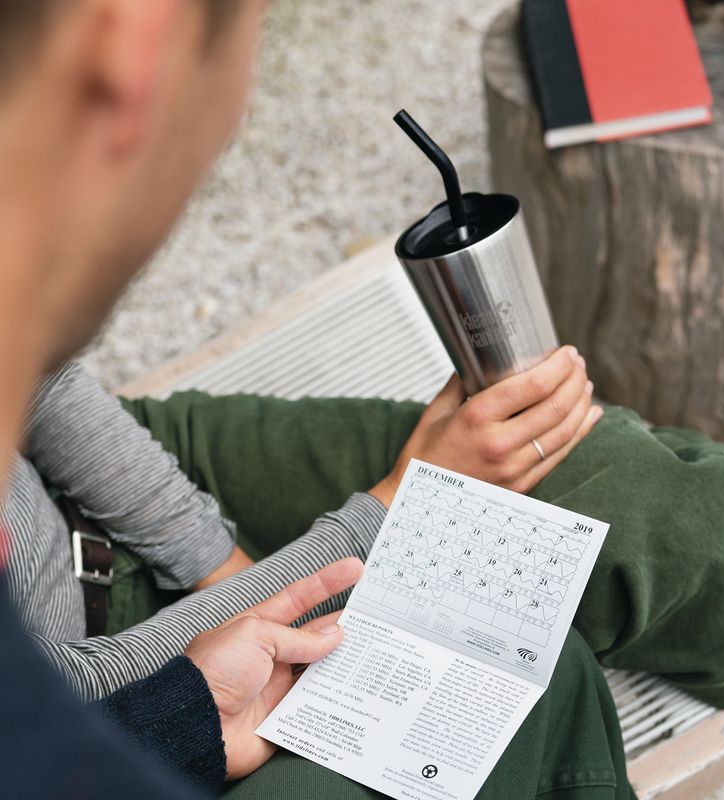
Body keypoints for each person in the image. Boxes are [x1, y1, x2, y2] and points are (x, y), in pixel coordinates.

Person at [0, 1, 635, 799]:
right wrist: (391, 508)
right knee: (532, 684)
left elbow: (39, 373)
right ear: (135, 47)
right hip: (117, 702)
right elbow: (57, 704)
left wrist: (221, 567)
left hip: (81, 513)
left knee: (623, 488)